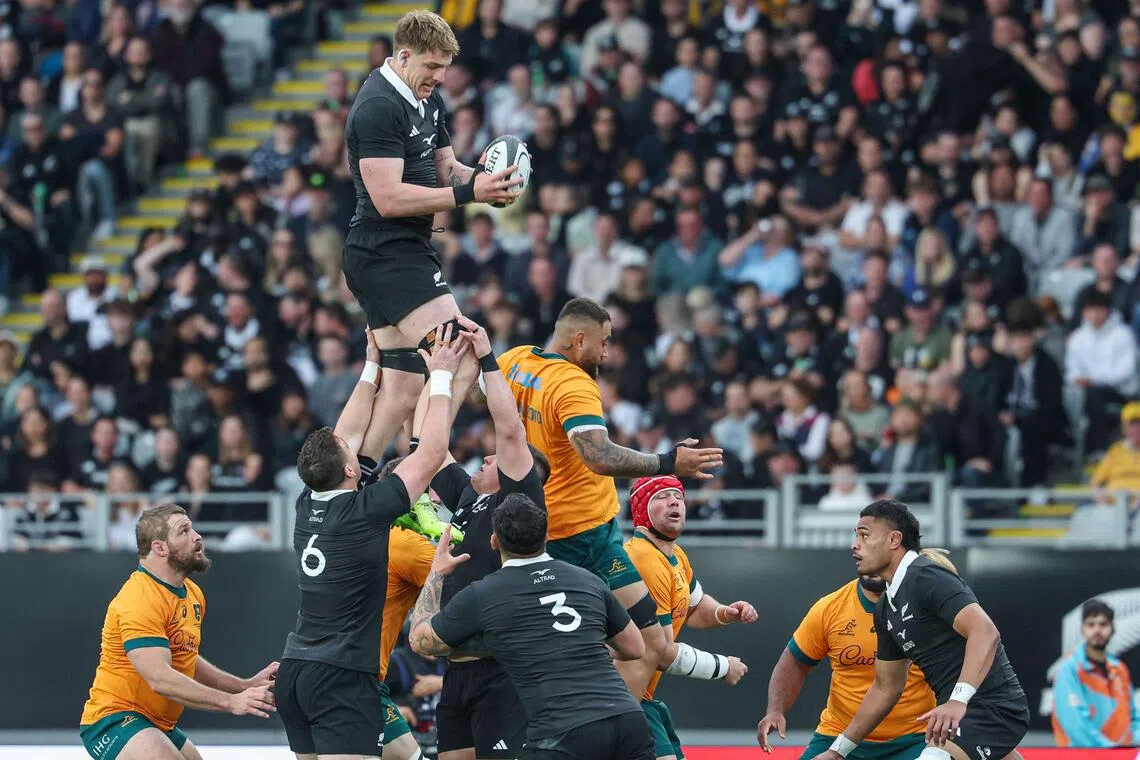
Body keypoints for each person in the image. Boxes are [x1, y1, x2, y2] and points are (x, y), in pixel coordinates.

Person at [498, 297, 724, 699]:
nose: (606, 353)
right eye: (603, 342)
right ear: (578, 340)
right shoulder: (573, 383)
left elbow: (479, 395)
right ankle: (602, 723)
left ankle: (609, 719)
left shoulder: (516, 361)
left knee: (636, 644)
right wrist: (669, 462)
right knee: (641, 645)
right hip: (580, 534)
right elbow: (599, 456)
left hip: (553, 529)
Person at [274, 324, 470, 760]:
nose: (357, 449)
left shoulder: (308, 502)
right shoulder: (367, 509)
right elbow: (431, 454)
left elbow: (346, 435)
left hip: (296, 670)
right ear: (350, 471)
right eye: (351, 455)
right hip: (343, 676)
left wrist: (371, 366)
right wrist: (441, 374)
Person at [343, 9, 521, 467]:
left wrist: (486, 182)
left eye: (445, 67)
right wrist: (468, 194)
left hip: (399, 253)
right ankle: (426, 475)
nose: (441, 77)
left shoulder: (427, 98)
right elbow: (387, 198)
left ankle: (354, 482)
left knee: (403, 385)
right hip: (385, 254)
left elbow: (446, 169)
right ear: (404, 56)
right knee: (459, 353)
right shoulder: (378, 106)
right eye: (433, 66)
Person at [407, 495, 655, 760]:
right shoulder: (588, 580)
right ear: (547, 536)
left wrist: (437, 573)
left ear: (494, 541)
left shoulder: (485, 593)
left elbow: (421, 641)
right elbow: (634, 647)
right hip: (628, 721)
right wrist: (580, 642)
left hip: (563, 732)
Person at [412, 315, 550, 760]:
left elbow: (510, 430)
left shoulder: (518, 497)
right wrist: (439, 375)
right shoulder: (469, 496)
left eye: (496, 458)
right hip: (456, 670)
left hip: (500, 668)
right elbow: (425, 444)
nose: (487, 457)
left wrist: (488, 358)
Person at [814, 500, 1029, 760]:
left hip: (993, 708)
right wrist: (837, 752)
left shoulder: (925, 577)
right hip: (958, 714)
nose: (855, 544)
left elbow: (985, 632)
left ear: (894, 540)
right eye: (856, 536)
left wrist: (957, 700)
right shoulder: (886, 607)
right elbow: (886, 688)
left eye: (864, 535)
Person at [78, 504, 278, 760]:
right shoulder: (139, 598)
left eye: (192, 528)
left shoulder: (192, 593)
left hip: (156, 722)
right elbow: (160, 678)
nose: (197, 536)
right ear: (159, 548)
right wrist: (230, 702)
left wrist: (242, 686)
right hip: (114, 718)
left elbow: (186, 657)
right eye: (184, 531)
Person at [624, 475, 757, 760]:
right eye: (662, 497)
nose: (674, 502)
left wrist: (725, 612)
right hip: (621, 697)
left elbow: (694, 609)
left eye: (678, 497)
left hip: (640, 697)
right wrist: (722, 667)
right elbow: (661, 652)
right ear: (641, 510)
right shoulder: (644, 558)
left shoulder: (675, 555)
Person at [756, 567, 938, 759]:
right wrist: (775, 711)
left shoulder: (927, 607)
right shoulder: (830, 607)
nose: (873, 565)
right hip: (838, 733)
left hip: (914, 737)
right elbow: (795, 662)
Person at [1052, 599, 1140, 748]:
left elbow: (1133, 718)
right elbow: (1076, 725)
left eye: (1103, 624)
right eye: (1091, 624)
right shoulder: (1069, 669)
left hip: (1120, 754)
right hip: (1081, 755)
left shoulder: (1119, 670)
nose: (1097, 630)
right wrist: (1110, 749)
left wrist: (1131, 746)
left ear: (1113, 628)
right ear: (1082, 629)